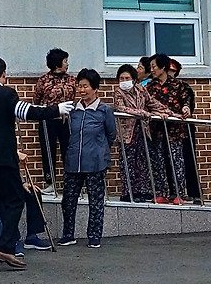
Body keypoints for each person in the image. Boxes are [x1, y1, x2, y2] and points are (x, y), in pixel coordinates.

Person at [0, 55, 71, 269]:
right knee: (14, 201)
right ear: (4, 74)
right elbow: (26, 112)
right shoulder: (7, 94)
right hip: (4, 159)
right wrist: (56, 109)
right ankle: (5, 247)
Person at [58, 69, 117, 248]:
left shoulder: (104, 110)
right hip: (73, 161)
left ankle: (94, 235)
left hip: (96, 162)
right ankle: (68, 234)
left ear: (95, 88)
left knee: (95, 201)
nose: (82, 90)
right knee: (68, 200)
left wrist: (99, 150)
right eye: (80, 86)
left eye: (85, 86)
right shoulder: (73, 110)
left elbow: (111, 135)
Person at [144, 53, 200, 203]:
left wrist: (186, 108)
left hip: (175, 131)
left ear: (163, 67)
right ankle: (161, 193)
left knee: (177, 162)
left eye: (154, 66)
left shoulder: (179, 85)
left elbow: (186, 101)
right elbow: (146, 104)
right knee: (158, 162)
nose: (152, 70)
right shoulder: (149, 86)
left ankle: (179, 194)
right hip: (156, 130)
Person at [31, 48, 75, 191]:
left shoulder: (71, 80)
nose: (67, 64)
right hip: (48, 120)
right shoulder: (44, 80)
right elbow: (36, 99)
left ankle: (71, 182)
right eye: (65, 61)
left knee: (68, 150)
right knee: (48, 151)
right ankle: (50, 182)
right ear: (57, 63)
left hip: (66, 120)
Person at [113, 65, 158, 202]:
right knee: (128, 162)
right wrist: (141, 113)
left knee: (142, 162)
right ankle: (127, 192)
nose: (124, 81)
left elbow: (152, 103)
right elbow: (121, 108)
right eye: (121, 78)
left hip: (142, 131)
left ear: (133, 79)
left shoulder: (141, 89)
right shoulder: (118, 92)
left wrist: (167, 112)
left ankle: (141, 191)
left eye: (127, 78)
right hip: (127, 133)